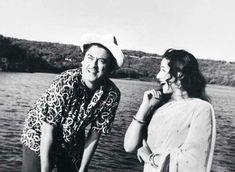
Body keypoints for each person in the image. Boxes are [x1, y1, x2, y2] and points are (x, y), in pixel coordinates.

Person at [21, 33, 124, 172]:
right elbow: (48, 129)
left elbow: (94, 135)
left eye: (101, 61)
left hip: (72, 136)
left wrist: (83, 169)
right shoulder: (66, 82)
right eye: (90, 57)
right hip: (40, 132)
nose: (93, 65)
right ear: (82, 61)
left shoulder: (112, 95)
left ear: (110, 67)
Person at [124, 49, 216, 172]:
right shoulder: (159, 106)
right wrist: (144, 108)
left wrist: (149, 158)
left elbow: (194, 161)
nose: (157, 76)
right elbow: (129, 147)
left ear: (179, 74)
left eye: (163, 70)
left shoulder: (201, 108)